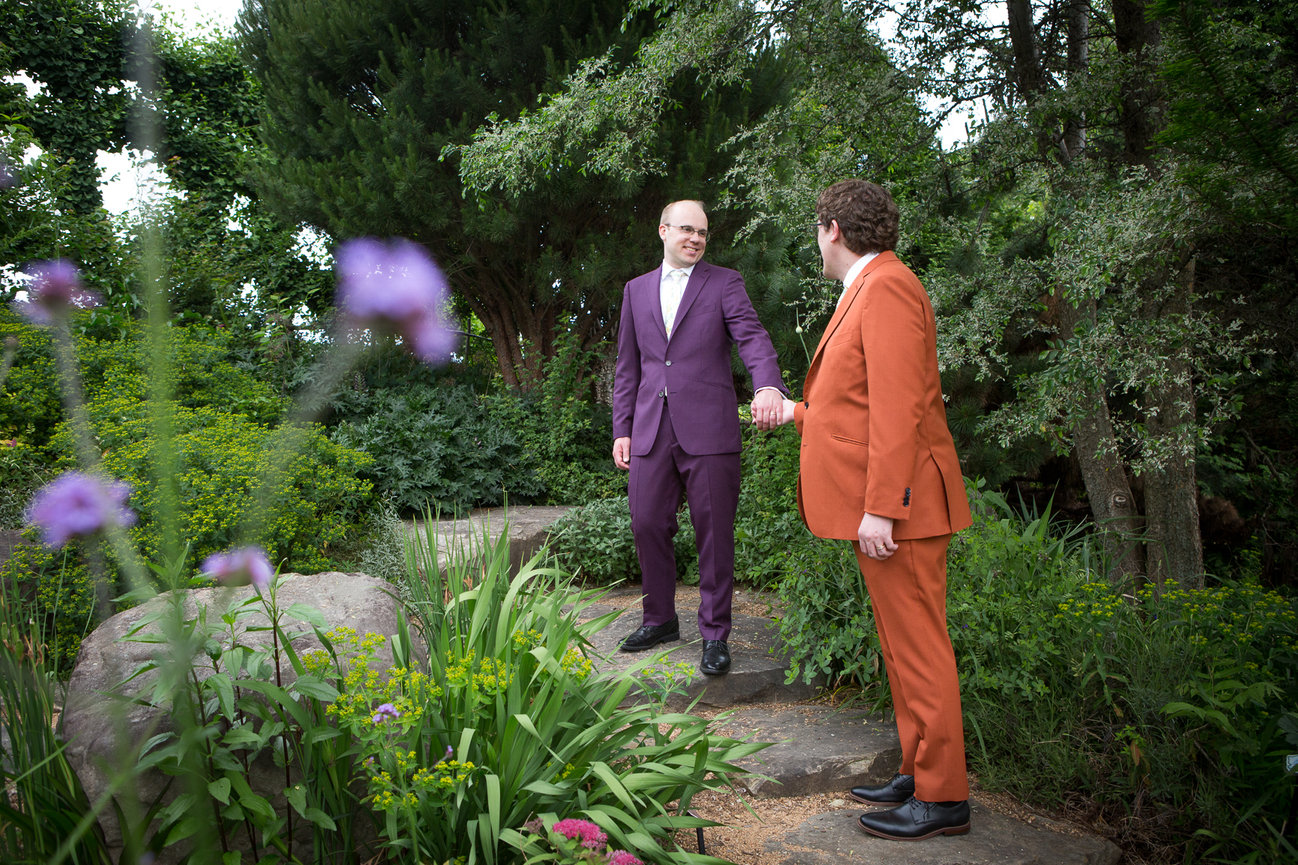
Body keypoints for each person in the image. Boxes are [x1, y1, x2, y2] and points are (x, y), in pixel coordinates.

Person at [760, 180, 973, 840]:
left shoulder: (886, 286)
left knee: (920, 647)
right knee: (900, 646)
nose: (815, 240)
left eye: (815, 230)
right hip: (888, 508)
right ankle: (918, 768)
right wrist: (797, 410)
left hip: (900, 509)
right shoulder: (870, 286)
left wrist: (882, 507)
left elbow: (900, 405)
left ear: (833, 229)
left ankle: (942, 797)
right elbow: (855, 403)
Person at [612, 199, 786, 675]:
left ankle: (714, 633)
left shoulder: (724, 282)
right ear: (663, 230)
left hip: (709, 428)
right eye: (686, 229)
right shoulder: (636, 290)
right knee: (647, 522)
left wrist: (767, 384)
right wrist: (621, 429)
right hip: (649, 429)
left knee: (714, 533)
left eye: (703, 233)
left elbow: (752, 337)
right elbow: (628, 367)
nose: (695, 239)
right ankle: (660, 618)